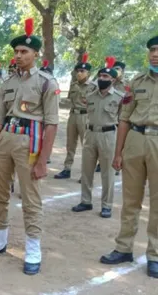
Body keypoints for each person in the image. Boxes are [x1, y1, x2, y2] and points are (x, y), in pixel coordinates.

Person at [0, 18, 60, 275]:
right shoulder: (7, 84)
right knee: (0, 193)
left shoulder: (46, 83)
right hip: (5, 141)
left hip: (30, 142)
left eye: (24, 52)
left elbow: (52, 124)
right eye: (17, 52)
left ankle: (33, 248)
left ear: (36, 54)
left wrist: (43, 160)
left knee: (31, 198)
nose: (19, 56)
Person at [100, 36, 158, 278]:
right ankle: (124, 247)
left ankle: (155, 255)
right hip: (135, 139)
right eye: (152, 50)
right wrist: (118, 152)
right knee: (130, 200)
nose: (155, 54)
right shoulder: (136, 83)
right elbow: (124, 118)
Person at [71, 58, 123, 218]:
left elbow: (122, 122)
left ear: (113, 80)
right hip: (90, 134)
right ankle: (85, 201)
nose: (102, 79)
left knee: (108, 172)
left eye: (106, 77)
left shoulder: (120, 97)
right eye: (100, 76)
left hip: (108, 135)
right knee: (86, 170)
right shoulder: (91, 96)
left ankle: (106, 205)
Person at [55, 54, 92, 180]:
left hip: (85, 116)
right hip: (73, 115)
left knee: (86, 146)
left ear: (88, 73)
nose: (79, 73)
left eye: (82, 71)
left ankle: (86, 173)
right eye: (78, 71)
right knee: (70, 144)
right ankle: (67, 168)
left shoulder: (93, 87)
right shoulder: (74, 85)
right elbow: (69, 99)